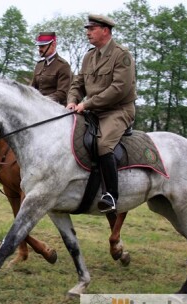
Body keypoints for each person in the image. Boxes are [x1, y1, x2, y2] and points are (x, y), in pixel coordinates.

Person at [66, 14, 136, 213]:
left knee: (103, 144)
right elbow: (78, 83)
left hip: (118, 110)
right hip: (92, 110)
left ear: (105, 30)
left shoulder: (122, 55)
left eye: (92, 28)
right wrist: (72, 100)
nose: (88, 32)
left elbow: (118, 89)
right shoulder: (89, 56)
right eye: (87, 28)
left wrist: (87, 104)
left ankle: (111, 195)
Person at [31, 32, 72, 105]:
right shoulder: (39, 65)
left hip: (56, 109)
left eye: (43, 46)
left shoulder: (63, 65)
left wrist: (43, 100)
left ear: (53, 45)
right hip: (37, 106)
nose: (40, 49)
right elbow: (32, 88)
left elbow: (62, 93)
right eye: (39, 46)